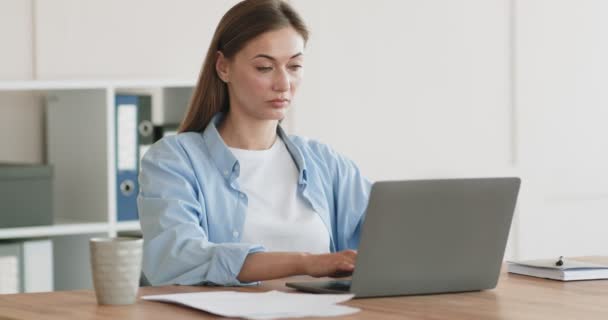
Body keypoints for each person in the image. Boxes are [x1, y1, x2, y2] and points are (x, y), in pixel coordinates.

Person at [138, 0, 371, 286]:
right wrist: (308, 263)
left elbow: (386, 242)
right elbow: (177, 258)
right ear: (224, 68)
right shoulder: (174, 160)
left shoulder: (325, 162)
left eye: (295, 66)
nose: (284, 83)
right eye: (264, 67)